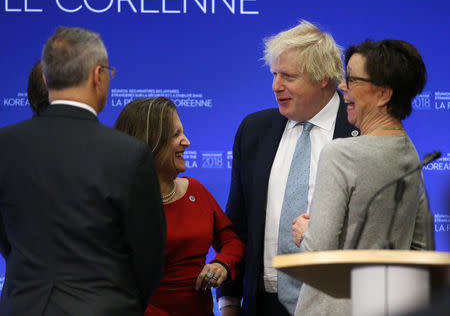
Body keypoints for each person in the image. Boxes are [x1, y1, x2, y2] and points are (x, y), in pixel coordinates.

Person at [0, 27, 166, 316]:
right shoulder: (129, 154)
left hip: (23, 306)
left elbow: (6, 239)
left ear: (45, 78)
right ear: (97, 76)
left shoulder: (5, 145)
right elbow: (148, 256)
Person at [216, 20, 358, 316]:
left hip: (339, 302)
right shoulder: (254, 130)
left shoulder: (362, 131)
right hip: (264, 302)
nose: (276, 86)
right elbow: (238, 223)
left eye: (288, 76)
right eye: (274, 74)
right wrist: (228, 300)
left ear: (323, 78)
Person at [294, 39, 432, 316]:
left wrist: (304, 234)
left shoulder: (341, 154)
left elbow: (318, 254)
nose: (342, 87)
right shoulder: (410, 154)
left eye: (352, 80)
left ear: (383, 94)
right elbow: (421, 249)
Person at [114, 97, 245, 316]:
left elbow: (232, 242)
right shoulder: (120, 203)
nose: (186, 141)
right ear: (149, 142)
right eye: (176, 135)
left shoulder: (196, 190)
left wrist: (221, 264)